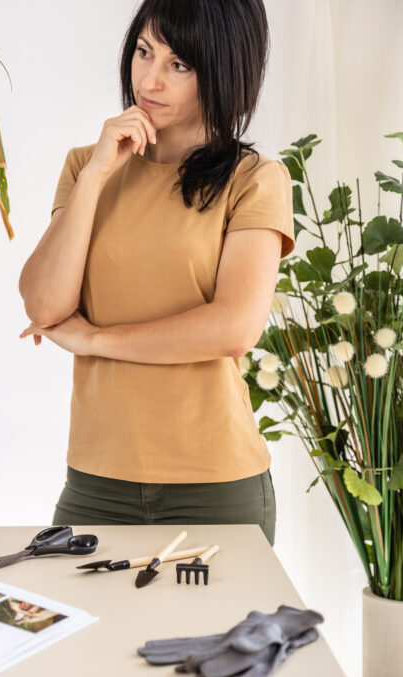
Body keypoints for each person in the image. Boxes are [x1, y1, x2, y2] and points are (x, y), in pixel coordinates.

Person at [18, 0, 293, 548]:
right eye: (144, 52)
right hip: (96, 479)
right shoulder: (85, 165)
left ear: (223, 70)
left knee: (216, 637)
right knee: (86, 634)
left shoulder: (254, 179)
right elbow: (45, 307)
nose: (149, 79)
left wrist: (95, 339)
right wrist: (99, 173)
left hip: (216, 485)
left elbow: (233, 328)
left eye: (179, 65)